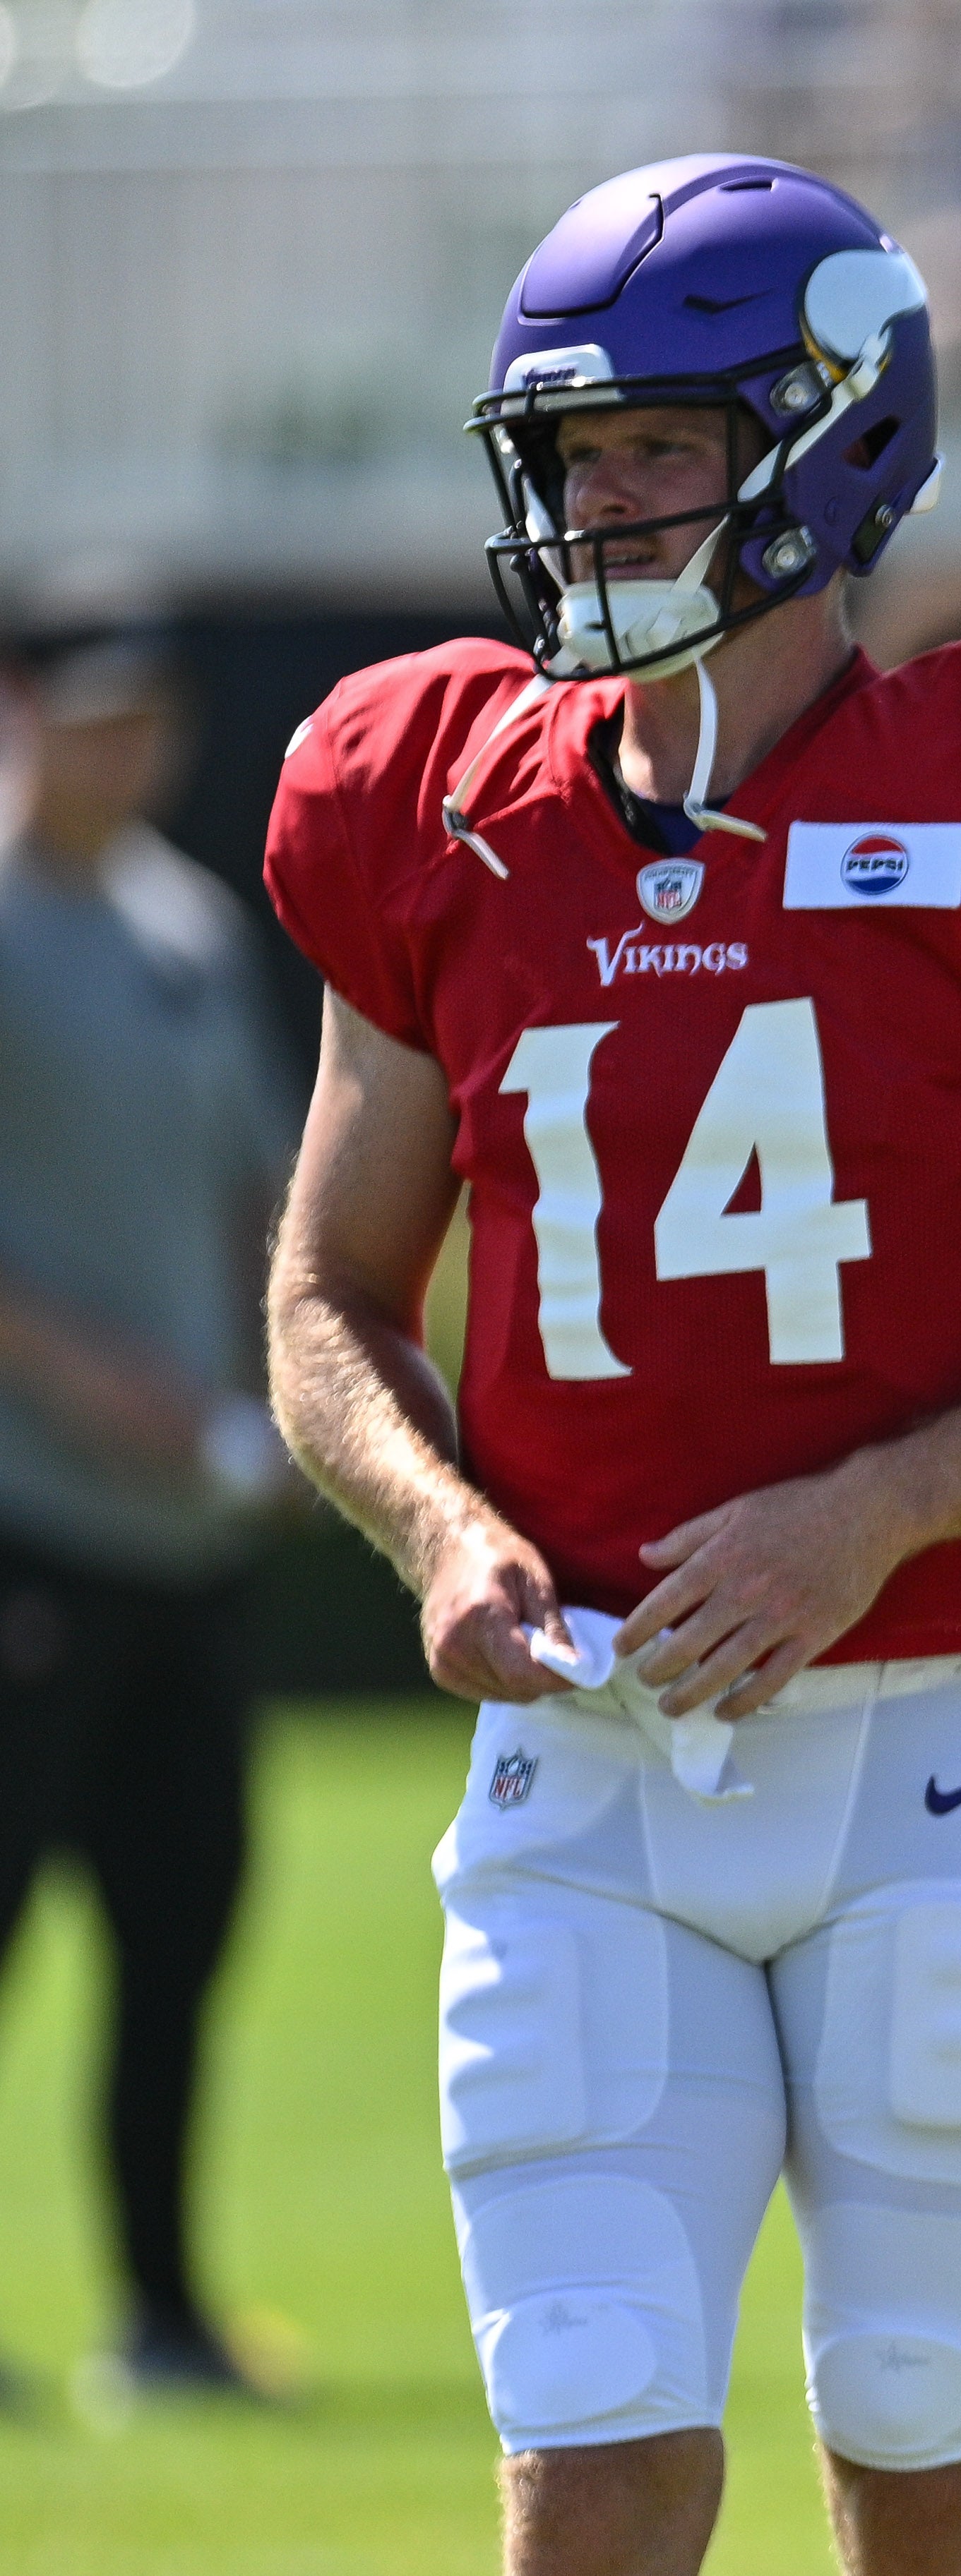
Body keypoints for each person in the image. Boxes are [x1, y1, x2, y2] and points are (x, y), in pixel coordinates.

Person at [258, 156, 961, 2576]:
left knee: (926, 2476)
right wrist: (437, 1528)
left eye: (657, 450)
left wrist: (874, 1511)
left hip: (927, 1752)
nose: (599, 504)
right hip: (585, 1764)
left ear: (826, 445)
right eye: (571, 457)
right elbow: (327, 1301)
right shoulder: (430, 802)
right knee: (591, 2471)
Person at [0, 600, 303, 2407]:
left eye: (156, 718)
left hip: (188, 1527)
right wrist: (85, 1377)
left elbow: (261, 1190)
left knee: (183, 1912)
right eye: (97, 714)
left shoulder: (186, 926)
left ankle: (167, 2311)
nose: (130, 751)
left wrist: (288, 1399)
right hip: (29, 1513)